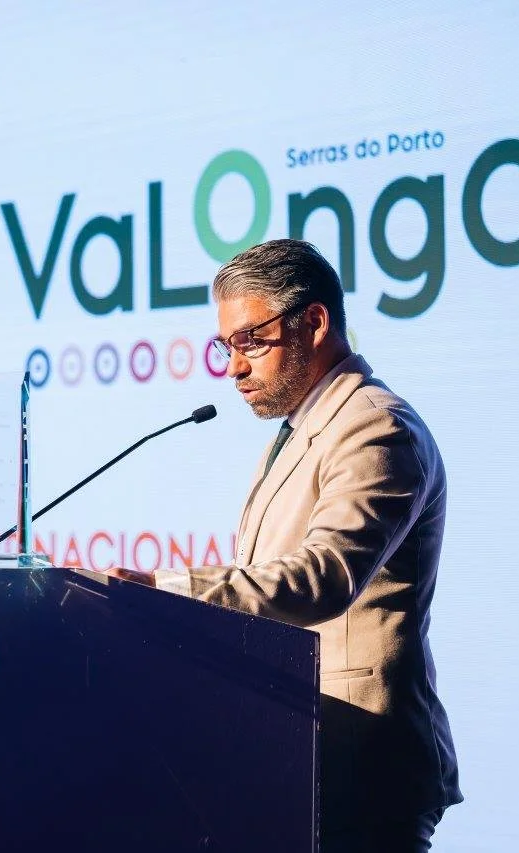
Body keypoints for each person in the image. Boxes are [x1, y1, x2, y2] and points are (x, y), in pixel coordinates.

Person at [111, 239, 462, 851]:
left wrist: (168, 590)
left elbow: (324, 576)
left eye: (250, 341)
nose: (233, 367)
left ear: (315, 322)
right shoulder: (303, 428)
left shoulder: (376, 426)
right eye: (226, 346)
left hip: (362, 771)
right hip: (298, 757)